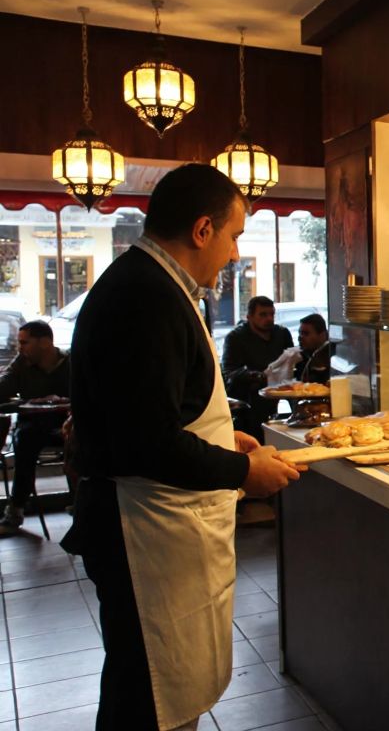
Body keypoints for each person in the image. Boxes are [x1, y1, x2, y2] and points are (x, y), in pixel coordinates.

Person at [62, 164, 302, 731]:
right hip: (140, 534)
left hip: (157, 529)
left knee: (154, 687)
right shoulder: (145, 296)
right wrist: (243, 471)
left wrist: (222, 438)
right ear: (201, 230)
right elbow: (146, 442)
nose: (234, 252)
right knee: (146, 697)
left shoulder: (157, 284)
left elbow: (158, 408)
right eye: (234, 234)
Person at [0, 320, 71, 531]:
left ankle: (82, 504)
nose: (20, 348)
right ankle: (16, 509)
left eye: (25, 343)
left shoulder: (70, 363)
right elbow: (4, 386)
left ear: (45, 342)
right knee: (25, 440)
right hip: (34, 426)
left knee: (81, 438)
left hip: (67, 424)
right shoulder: (22, 363)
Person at [222, 296, 294, 439]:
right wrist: (256, 376)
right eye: (263, 315)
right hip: (248, 402)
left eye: (271, 314)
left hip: (278, 396)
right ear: (249, 317)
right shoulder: (236, 338)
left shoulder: (281, 334)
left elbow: (291, 360)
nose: (269, 319)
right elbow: (229, 372)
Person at [294, 312, 333, 385]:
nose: (300, 337)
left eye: (306, 334)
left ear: (322, 335)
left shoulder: (329, 356)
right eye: (300, 333)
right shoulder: (302, 355)